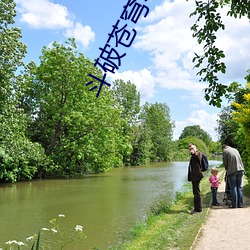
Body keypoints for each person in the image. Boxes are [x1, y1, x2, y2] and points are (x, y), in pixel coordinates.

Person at [188, 143, 204, 214]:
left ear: (195, 148)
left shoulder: (198, 154)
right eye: (190, 149)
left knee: (196, 192)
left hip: (196, 176)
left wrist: (194, 152)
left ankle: (198, 209)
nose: (191, 150)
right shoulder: (194, 155)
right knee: (196, 192)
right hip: (195, 176)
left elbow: (198, 158)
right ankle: (197, 208)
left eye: (192, 148)